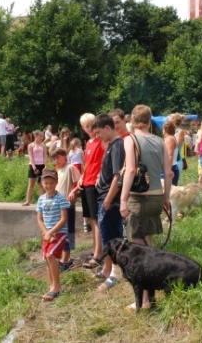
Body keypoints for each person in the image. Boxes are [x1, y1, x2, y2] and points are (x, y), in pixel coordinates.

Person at [120, 104, 172, 310]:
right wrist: (166, 198)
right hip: (157, 197)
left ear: (133, 121)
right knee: (149, 245)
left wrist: (123, 200)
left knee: (140, 252)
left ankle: (145, 300)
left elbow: (131, 170)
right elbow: (168, 173)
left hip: (138, 198)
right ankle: (154, 290)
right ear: (150, 121)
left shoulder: (130, 140)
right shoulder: (160, 141)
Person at [91, 113, 125, 291]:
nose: (97, 136)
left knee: (111, 238)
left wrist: (109, 199)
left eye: (98, 132)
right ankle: (110, 269)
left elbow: (118, 176)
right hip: (103, 196)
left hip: (108, 200)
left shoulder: (118, 146)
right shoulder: (111, 145)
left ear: (107, 128)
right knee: (107, 236)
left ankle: (115, 273)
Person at [67, 113, 105, 268]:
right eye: (87, 126)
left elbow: (103, 162)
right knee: (90, 218)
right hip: (86, 182)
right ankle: (96, 249)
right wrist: (82, 176)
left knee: (96, 218)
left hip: (95, 183)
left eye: (92, 125)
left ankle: (98, 253)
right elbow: (88, 163)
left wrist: (100, 176)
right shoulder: (88, 142)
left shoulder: (102, 141)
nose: (90, 129)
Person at [35, 168, 70, 302]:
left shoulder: (60, 199)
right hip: (47, 233)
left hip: (59, 233)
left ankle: (56, 287)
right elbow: (39, 219)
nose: (48, 186)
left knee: (50, 256)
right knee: (48, 260)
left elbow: (63, 219)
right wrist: (46, 233)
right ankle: (52, 286)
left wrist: (51, 232)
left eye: (51, 183)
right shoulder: (41, 200)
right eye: (46, 183)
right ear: (42, 184)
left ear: (56, 182)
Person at [50, 147, 81, 272]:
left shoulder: (70, 167)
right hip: (58, 205)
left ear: (64, 156)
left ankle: (65, 260)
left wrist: (73, 191)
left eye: (58, 158)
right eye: (54, 159)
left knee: (68, 231)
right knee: (60, 232)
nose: (56, 161)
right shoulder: (58, 170)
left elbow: (80, 182)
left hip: (67, 205)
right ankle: (63, 257)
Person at [24, 130, 47, 206]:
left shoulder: (43, 145)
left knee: (41, 184)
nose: (42, 138)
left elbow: (45, 156)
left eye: (42, 136)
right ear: (36, 136)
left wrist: (45, 165)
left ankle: (40, 201)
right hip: (33, 165)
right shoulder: (31, 145)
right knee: (31, 184)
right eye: (40, 136)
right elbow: (31, 156)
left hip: (41, 165)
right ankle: (27, 201)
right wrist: (34, 167)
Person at [162, 120, 180, 186]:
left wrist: (168, 169)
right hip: (170, 167)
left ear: (165, 129)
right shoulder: (170, 138)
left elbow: (170, 155)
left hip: (170, 167)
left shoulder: (169, 139)